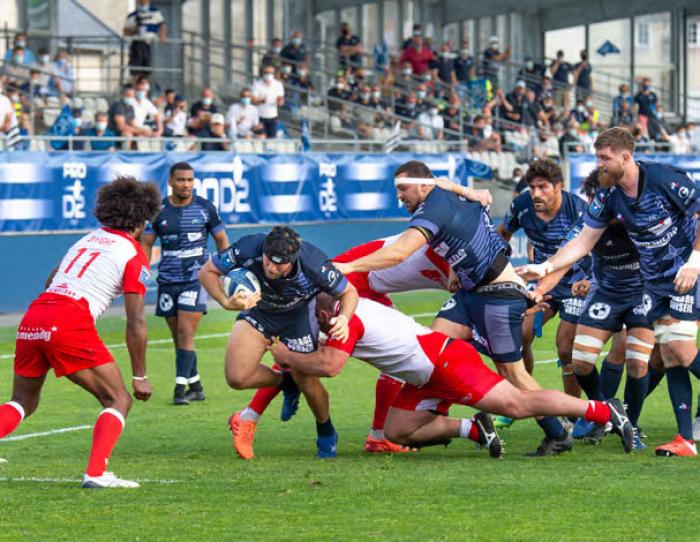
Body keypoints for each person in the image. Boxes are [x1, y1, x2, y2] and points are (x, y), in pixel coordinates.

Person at [333, 161, 576, 456]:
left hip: (496, 294)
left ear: (423, 185)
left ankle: (562, 428)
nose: (399, 197)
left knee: (512, 373)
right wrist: (454, 266)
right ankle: (432, 420)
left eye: (403, 189)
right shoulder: (446, 193)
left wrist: (346, 266)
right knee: (433, 350)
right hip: (472, 293)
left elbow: (398, 253)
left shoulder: (432, 210)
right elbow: (483, 196)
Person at [519, 127, 700, 457]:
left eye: (604, 158)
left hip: (685, 271)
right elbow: (583, 240)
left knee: (676, 352)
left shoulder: (662, 179)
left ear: (625, 157)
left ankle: (644, 423)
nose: (599, 164)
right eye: (597, 157)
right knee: (671, 355)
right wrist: (546, 268)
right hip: (653, 282)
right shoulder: (607, 196)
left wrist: (694, 261)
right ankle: (684, 439)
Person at [267, 294, 634, 456]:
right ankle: (474, 429)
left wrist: (286, 356)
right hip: (428, 372)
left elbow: (330, 366)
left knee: (519, 404)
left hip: (445, 363)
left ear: (327, 311)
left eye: (317, 318)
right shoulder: (347, 307)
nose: (317, 324)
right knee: (396, 431)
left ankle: (605, 412)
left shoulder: (351, 320)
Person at [0, 177, 160, 488]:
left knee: (23, 401)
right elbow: (136, 320)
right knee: (118, 399)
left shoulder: (86, 239)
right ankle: (97, 475)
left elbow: (50, 280)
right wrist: (140, 374)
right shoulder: (133, 252)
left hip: (35, 315)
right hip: (69, 320)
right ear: (140, 222)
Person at [234, 232, 455, 456]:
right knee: (302, 355)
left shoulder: (460, 253)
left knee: (400, 349)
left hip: (368, 292)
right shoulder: (447, 248)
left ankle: (377, 436)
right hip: (343, 288)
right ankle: (250, 415)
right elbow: (395, 257)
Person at [198, 226, 359, 459]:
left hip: (298, 319)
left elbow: (350, 292)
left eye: (280, 263)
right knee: (236, 377)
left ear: (293, 259)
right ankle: (286, 382)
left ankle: (326, 430)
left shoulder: (313, 263)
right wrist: (226, 301)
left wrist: (344, 318)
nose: (271, 267)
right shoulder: (249, 246)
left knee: (308, 381)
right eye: (268, 260)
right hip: (259, 311)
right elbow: (207, 272)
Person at [532, 168, 654, 449]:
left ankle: (631, 427)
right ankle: (607, 414)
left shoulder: (639, 218)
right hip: (606, 292)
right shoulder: (587, 223)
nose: (597, 205)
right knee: (581, 362)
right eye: (593, 199)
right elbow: (564, 257)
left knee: (636, 362)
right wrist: (540, 287)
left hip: (642, 292)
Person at [498, 159, 591, 400]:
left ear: (559, 186)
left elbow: (568, 258)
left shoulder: (577, 210)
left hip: (575, 282)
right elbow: (502, 234)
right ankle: (524, 398)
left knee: (565, 348)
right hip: (541, 280)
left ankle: (572, 412)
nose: (536, 193)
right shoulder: (522, 206)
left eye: (543, 187)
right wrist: (495, 268)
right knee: (519, 339)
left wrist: (539, 287)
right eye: (532, 187)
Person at [141, 162, 228, 405]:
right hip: (167, 281)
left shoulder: (205, 208)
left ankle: (180, 387)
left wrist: (224, 269)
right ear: (170, 182)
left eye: (190, 180)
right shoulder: (158, 210)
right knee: (178, 337)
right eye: (181, 180)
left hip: (195, 279)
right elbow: (147, 242)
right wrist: (143, 268)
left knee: (185, 332)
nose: (186, 185)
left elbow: (221, 239)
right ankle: (196, 385)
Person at [124, 0, 167, 78]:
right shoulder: (132, 15)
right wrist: (135, 29)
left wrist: (162, 36)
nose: (143, 2)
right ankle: (136, 86)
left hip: (150, 44)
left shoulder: (155, 12)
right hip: (137, 44)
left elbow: (162, 25)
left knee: (147, 69)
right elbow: (125, 31)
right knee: (136, 69)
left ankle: (146, 86)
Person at [252, 66, 285, 138]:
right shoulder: (257, 84)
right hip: (260, 116)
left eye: (270, 73)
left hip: (273, 116)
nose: (268, 75)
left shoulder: (278, 85)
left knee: (272, 138)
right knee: (261, 137)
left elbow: (281, 100)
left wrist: (279, 101)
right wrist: (262, 101)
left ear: (274, 74)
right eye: (266, 72)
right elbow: (253, 101)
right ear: (263, 73)